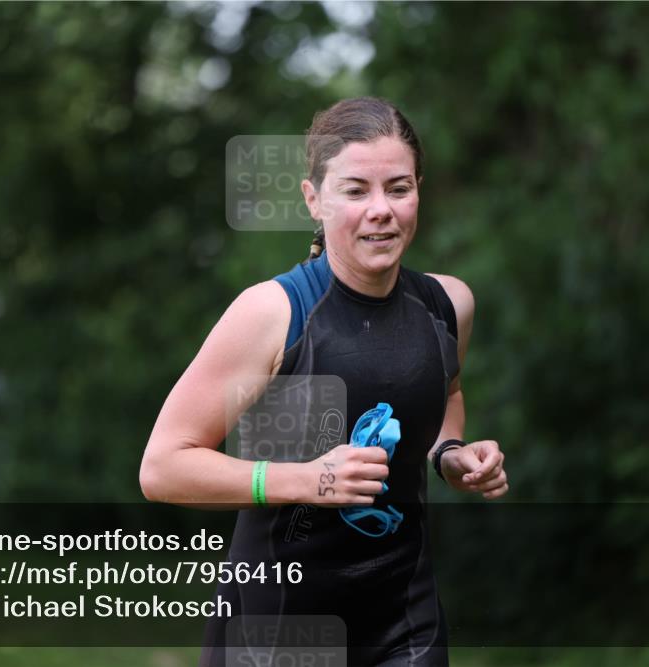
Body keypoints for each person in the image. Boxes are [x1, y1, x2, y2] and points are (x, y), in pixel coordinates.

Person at [139, 97, 508, 667]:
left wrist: (451, 454)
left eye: (399, 188)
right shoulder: (272, 314)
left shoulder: (446, 305)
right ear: (314, 198)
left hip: (406, 622)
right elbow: (163, 467)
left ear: (419, 192)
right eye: (356, 190)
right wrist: (306, 480)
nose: (380, 209)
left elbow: (445, 399)